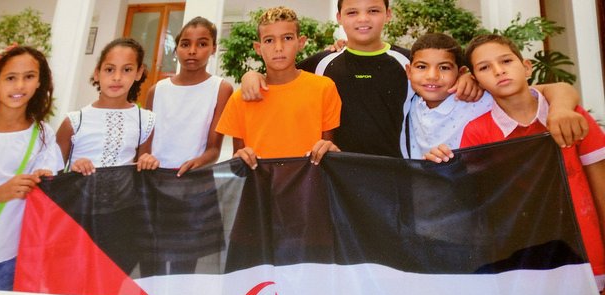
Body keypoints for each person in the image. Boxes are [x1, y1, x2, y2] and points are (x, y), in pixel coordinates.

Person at [241, 0, 588, 157]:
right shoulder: (322, 62)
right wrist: (251, 74)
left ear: (388, 15)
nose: (364, 19)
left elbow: (529, 91)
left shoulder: (412, 63)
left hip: (400, 177)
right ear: (340, 17)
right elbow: (282, 77)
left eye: (374, 10)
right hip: (337, 177)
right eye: (353, 12)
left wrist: (472, 80)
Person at [431, 34, 605, 295]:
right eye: (485, 67)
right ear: (476, 81)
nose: (499, 71)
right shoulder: (477, 132)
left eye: (506, 61)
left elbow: (601, 187)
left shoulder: (571, 116)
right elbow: (474, 201)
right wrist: (440, 164)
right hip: (525, 262)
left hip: (588, 253)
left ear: (526, 67)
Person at [0, 45, 64, 290]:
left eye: (29, 77)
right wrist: (0, 193)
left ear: (39, 82)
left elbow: (47, 200)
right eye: (11, 78)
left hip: (9, 263)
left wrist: (46, 180)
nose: (20, 86)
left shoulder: (42, 135)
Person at [404, 33, 582, 159]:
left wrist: (561, 109)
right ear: (409, 71)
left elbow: (558, 89)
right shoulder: (410, 102)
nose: (432, 76)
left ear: (462, 72)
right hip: (428, 201)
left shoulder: (479, 96)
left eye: (444, 67)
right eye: (421, 67)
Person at [216, 6, 342, 168]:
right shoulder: (241, 98)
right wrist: (239, 157)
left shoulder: (324, 88)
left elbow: (327, 152)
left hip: (309, 189)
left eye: (287, 38)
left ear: (301, 42)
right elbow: (240, 163)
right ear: (258, 48)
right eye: (269, 40)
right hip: (261, 191)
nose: (278, 47)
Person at [145, 17, 233, 176]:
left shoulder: (221, 89)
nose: (192, 51)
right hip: (156, 177)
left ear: (213, 48)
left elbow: (213, 149)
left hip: (196, 179)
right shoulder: (156, 90)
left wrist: (197, 163)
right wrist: (145, 161)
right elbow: (145, 143)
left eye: (202, 44)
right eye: (185, 44)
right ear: (176, 48)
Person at [56, 38, 157, 175]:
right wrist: (75, 169)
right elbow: (52, 174)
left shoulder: (145, 121)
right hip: (80, 195)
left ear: (138, 73)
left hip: (123, 196)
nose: (117, 77)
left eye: (127, 69)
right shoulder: (74, 122)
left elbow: (141, 175)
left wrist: (148, 162)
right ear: (97, 73)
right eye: (109, 69)